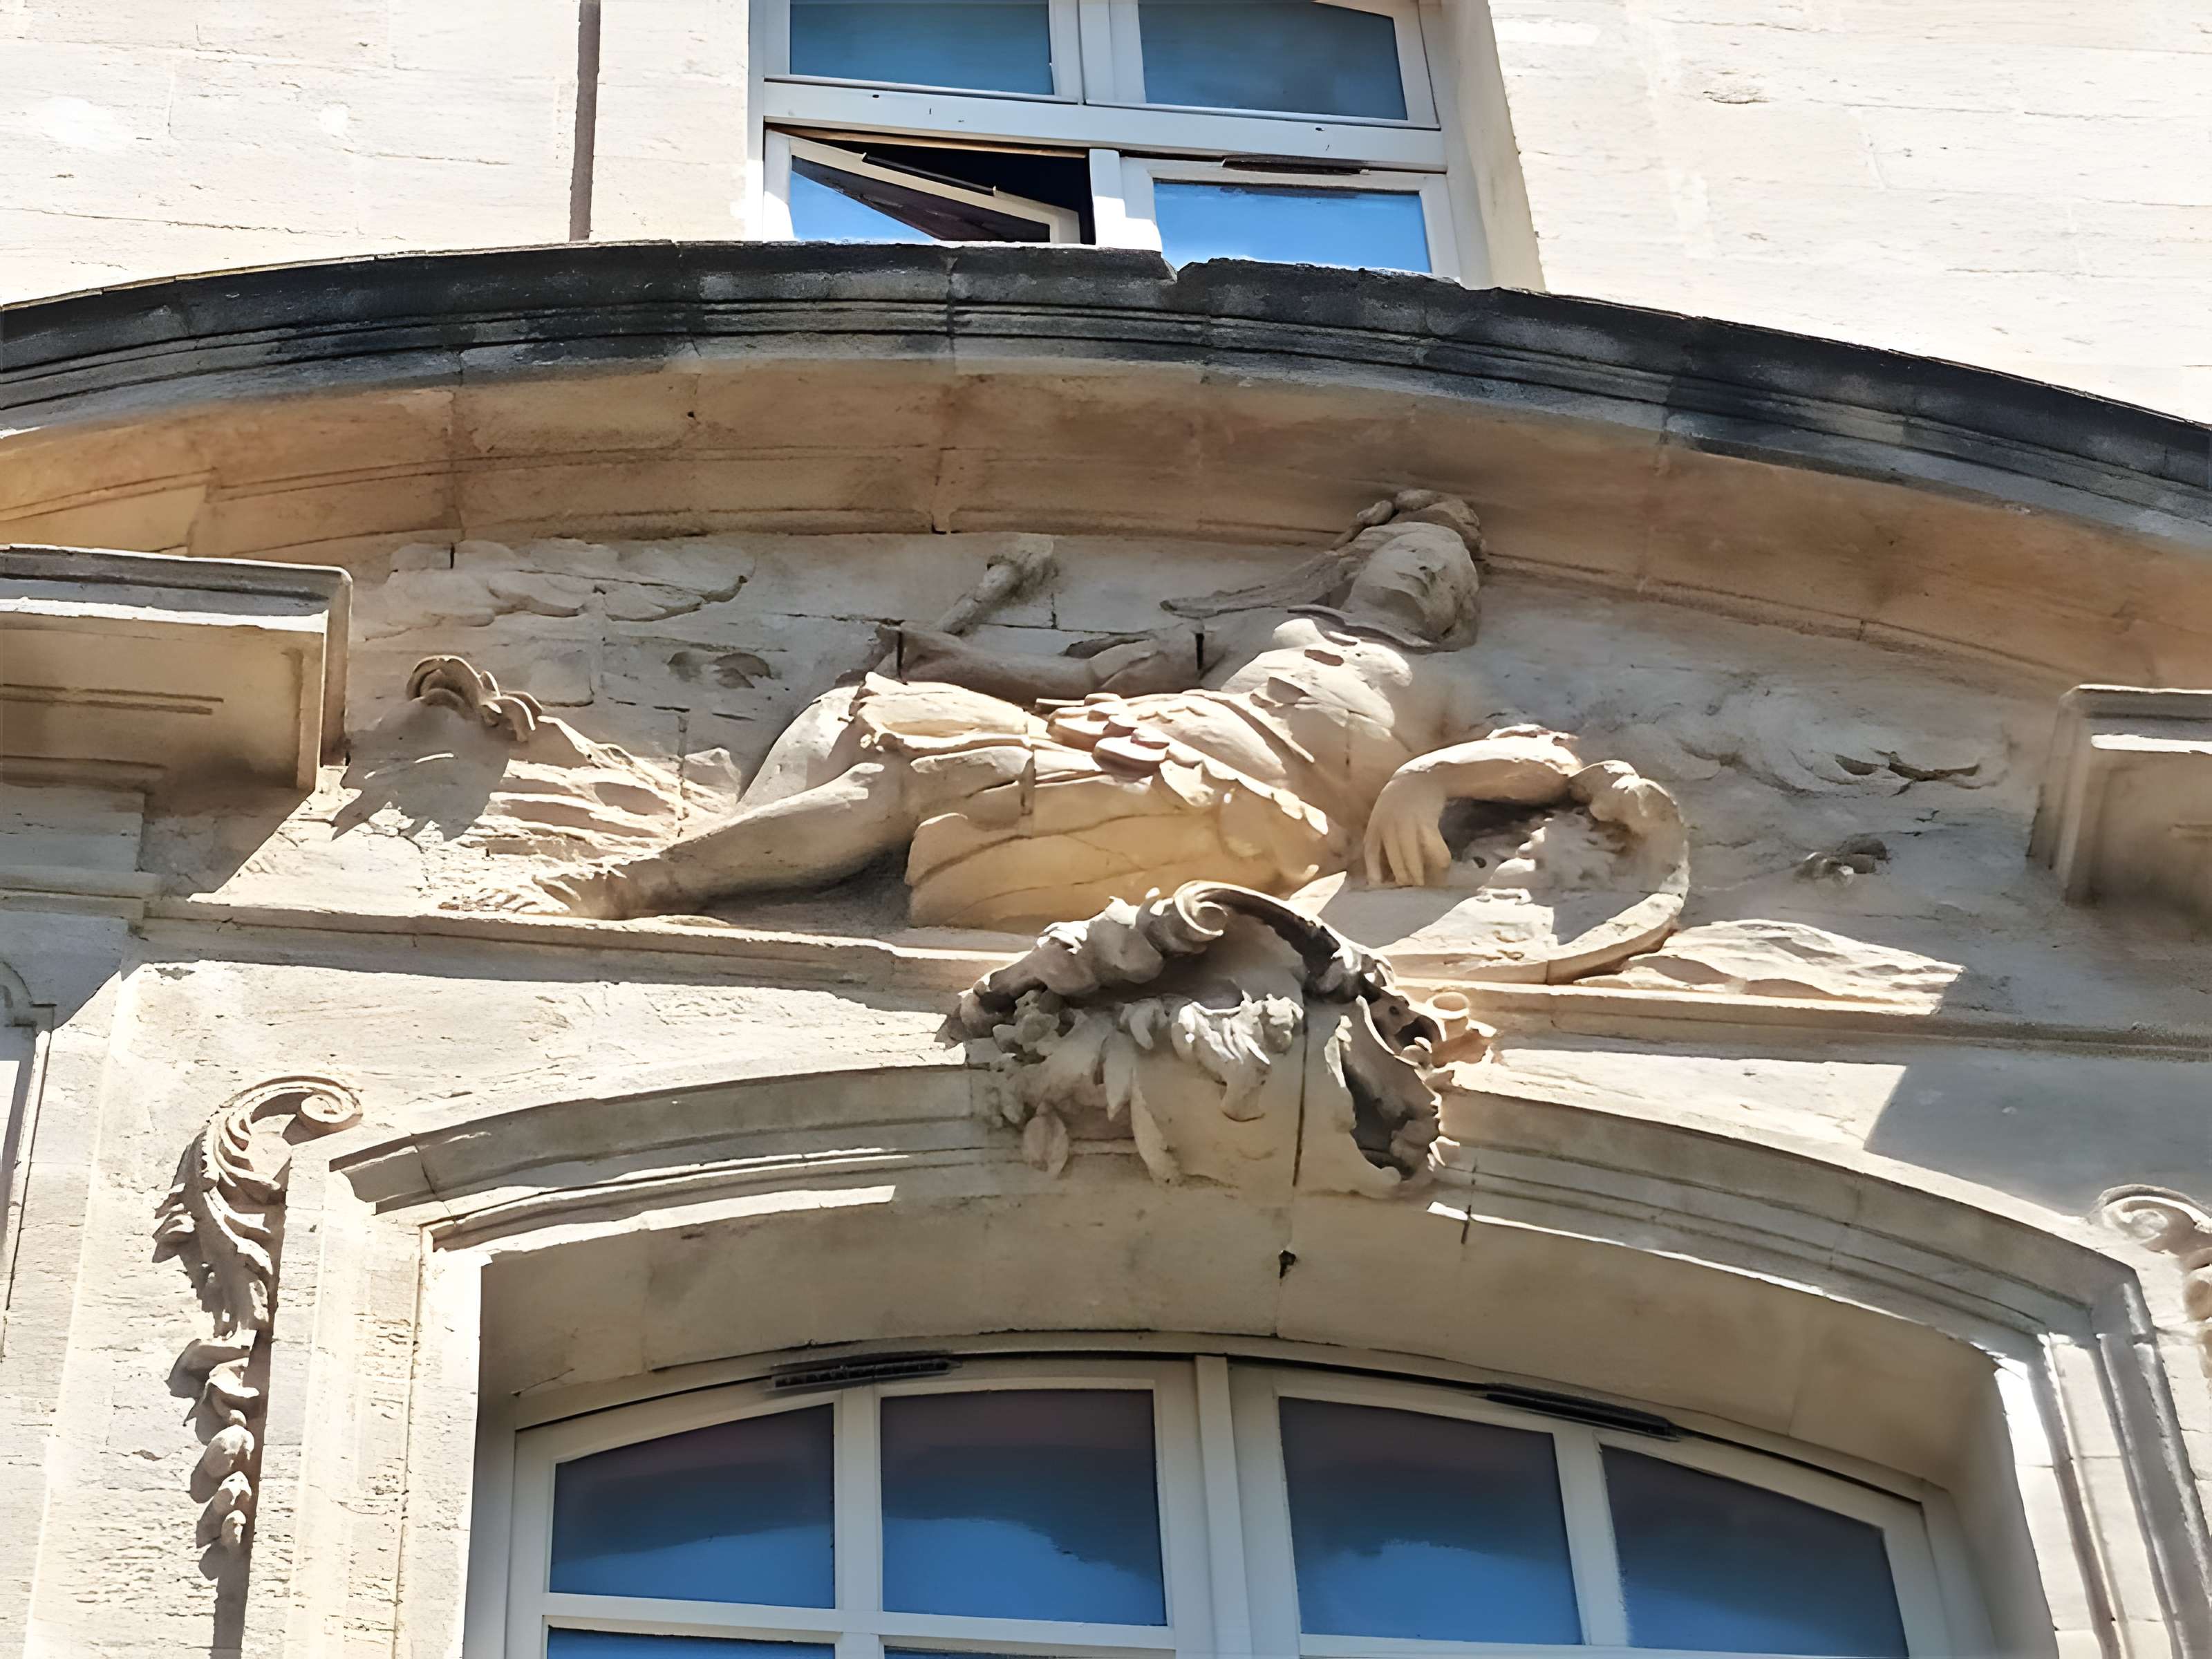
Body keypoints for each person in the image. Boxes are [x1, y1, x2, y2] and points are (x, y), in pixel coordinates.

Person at [487, 491, 1673, 926]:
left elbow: (1544, 758)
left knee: (926, 781)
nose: (1419, 575)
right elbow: (1092, 684)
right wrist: (962, 663)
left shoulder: (1445, 687)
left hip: (1236, 810)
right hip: (1134, 745)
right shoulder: (1271, 632)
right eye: (1405, 555)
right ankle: (661, 879)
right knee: (896, 731)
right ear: (1352, 565)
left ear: (1461, 609)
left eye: (1441, 573)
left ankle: (637, 890)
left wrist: (1429, 777)